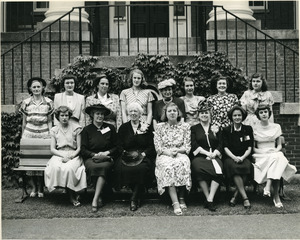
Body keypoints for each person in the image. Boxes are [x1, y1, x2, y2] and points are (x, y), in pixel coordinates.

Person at [252, 104, 296, 208]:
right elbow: (253, 148)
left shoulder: (276, 126)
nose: (264, 114)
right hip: (260, 155)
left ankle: (268, 187)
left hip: (273, 152)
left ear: (269, 113)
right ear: (258, 115)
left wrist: (273, 151)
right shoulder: (254, 128)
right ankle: (275, 196)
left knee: (277, 156)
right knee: (278, 158)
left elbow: (279, 145)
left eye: (265, 112)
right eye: (261, 112)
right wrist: (264, 153)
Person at [115, 102, 156, 211]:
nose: (133, 113)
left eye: (136, 111)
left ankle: (133, 198)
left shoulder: (146, 127)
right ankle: (138, 193)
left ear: (140, 114)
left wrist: (144, 154)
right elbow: (118, 144)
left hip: (142, 155)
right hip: (127, 155)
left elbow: (151, 146)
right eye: (131, 111)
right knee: (122, 167)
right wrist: (124, 153)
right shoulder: (123, 128)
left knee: (141, 168)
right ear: (128, 113)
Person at [154, 102, 191, 216]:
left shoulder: (185, 126)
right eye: (169, 111)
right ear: (165, 113)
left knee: (183, 163)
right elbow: (158, 147)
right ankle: (175, 203)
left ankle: (181, 198)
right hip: (165, 154)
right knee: (168, 167)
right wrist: (168, 152)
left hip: (180, 153)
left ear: (178, 112)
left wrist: (178, 151)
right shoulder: (159, 127)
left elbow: (187, 146)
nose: (172, 113)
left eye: (174, 110)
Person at [44, 106, 87, 206]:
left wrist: (71, 156)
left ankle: (71, 195)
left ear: (69, 116)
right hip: (59, 154)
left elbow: (79, 148)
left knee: (69, 168)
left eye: (66, 115)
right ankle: (66, 192)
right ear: (58, 117)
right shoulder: (54, 130)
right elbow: (52, 149)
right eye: (62, 115)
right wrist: (62, 155)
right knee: (55, 167)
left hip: (73, 154)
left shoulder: (76, 128)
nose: (64, 118)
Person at [19, 77, 54, 198]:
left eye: (38, 86)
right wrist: (23, 136)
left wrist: (50, 135)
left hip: (44, 134)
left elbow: (50, 121)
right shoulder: (26, 102)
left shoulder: (49, 102)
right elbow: (24, 122)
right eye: (34, 87)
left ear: (43, 88)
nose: (36, 89)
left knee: (43, 162)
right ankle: (33, 187)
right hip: (29, 133)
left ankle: (41, 188)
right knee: (30, 161)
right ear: (30, 88)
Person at [81, 104, 119, 212]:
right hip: (92, 158)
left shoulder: (110, 128)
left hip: (106, 158)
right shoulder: (87, 130)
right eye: (97, 114)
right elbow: (83, 149)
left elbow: (117, 146)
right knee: (93, 167)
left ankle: (95, 198)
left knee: (103, 167)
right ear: (92, 115)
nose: (100, 116)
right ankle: (100, 195)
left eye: (102, 114)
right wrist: (94, 155)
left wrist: (107, 152)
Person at [190, 99, 223, 211]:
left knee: (218, 171)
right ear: (198, 115)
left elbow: (221, 143)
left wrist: (214, 153)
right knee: (198, 169)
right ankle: (207, 196)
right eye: (202, 113)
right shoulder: (194, 128)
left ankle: (210, 199)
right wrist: (206, 153)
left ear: (210, 114)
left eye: (206, 113)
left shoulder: (216, 127)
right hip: (201, 156)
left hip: (214, 155)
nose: (204, 115)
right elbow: (194, 144)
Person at [223, 105, 253, 209]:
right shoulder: (226, 130)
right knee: (235, 168)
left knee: (245, 167)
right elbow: (225, 147)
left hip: (244, 157)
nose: (237, 117)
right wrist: (234, 157)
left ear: (243, 116)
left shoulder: (248, 129)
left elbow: (249, 147)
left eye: (239, 115)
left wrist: (242, 157)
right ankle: (245, 198)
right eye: (235, 115)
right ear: (231, 117)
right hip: (230, 158)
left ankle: (235, 196)